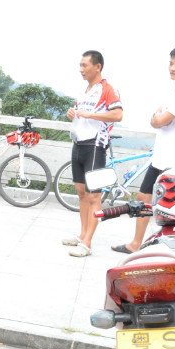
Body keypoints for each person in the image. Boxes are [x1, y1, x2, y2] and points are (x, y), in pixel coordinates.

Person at [112, 46, 175, 254]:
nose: (172, 67)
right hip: (160, 158)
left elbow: (160, 119)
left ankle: (174, 250)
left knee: (172, 207)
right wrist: (157, 118)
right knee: (143, 199)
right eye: (170, 63)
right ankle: (136, 244)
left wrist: (157, 118)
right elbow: (157, 119)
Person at [61, 50, 123, 257]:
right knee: (80, 192)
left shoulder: (107, 89)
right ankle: (81, 235)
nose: (81, 69)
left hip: (95, 146)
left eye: (85, 65)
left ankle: (87, 243)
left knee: (94, 195)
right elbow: (80, 115)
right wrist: (73, 114)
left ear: (97, 67)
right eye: (80, 65)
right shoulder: (85, 90)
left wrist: (90, 114)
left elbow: (117, 114)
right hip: (78, 144)